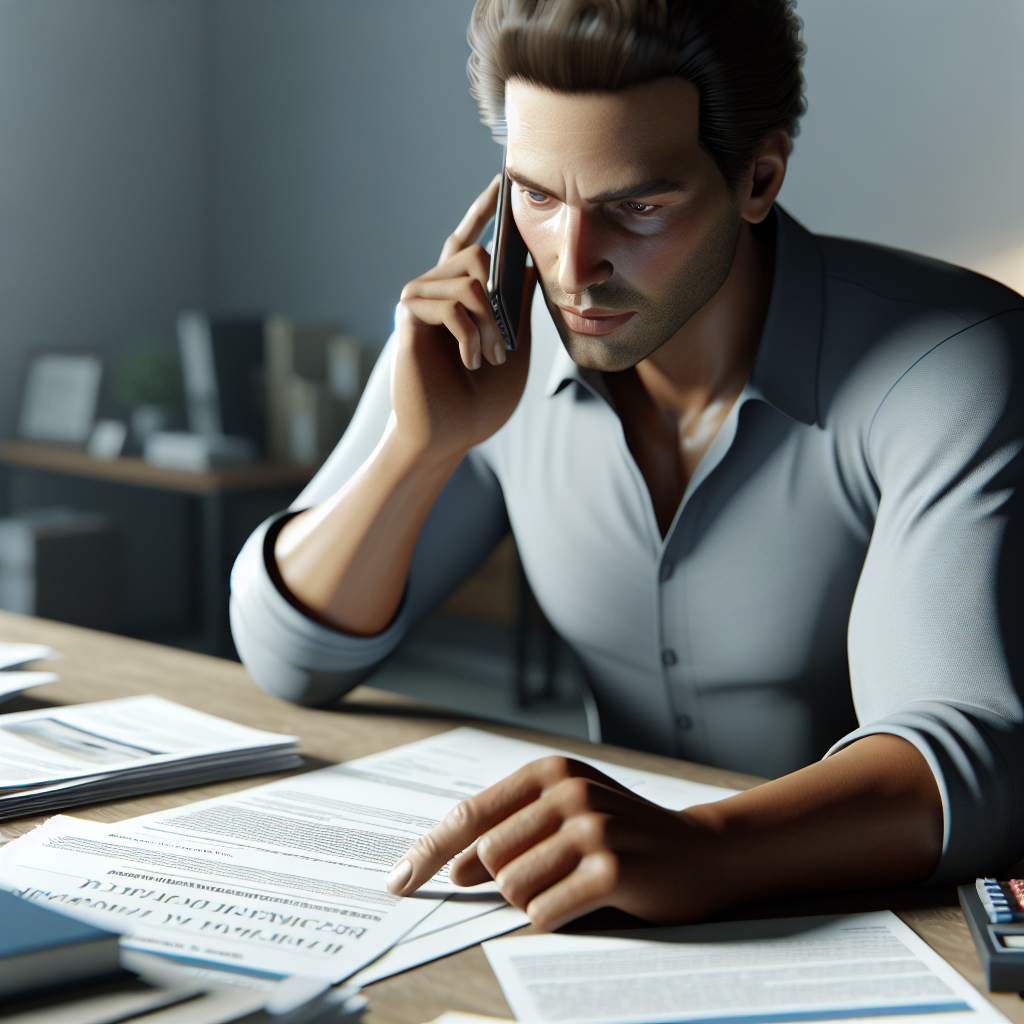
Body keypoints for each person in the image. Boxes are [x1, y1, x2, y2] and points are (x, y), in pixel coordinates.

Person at [230, 0, 1024, 929]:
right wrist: (417, 447)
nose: (573, 266)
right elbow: (289, 659)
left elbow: (977, 758)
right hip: (609, 916)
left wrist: (705, 850)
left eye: (638, 207)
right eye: (536, 196)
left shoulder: (952, 363)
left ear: (758, 177)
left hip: (882, 926)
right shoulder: (493, 341)